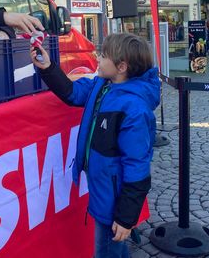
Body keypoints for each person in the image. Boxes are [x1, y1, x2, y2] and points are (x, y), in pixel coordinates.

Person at [30, 33, 160, 258]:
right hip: (103, 191)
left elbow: (137, 167)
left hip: (114, 200)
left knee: (107, 251)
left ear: (121, 66)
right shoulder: (103, 84)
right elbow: (73, 94)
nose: (97, 58)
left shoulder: (134, 108)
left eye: (103, 55)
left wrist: (126, 217)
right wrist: (48, 67)